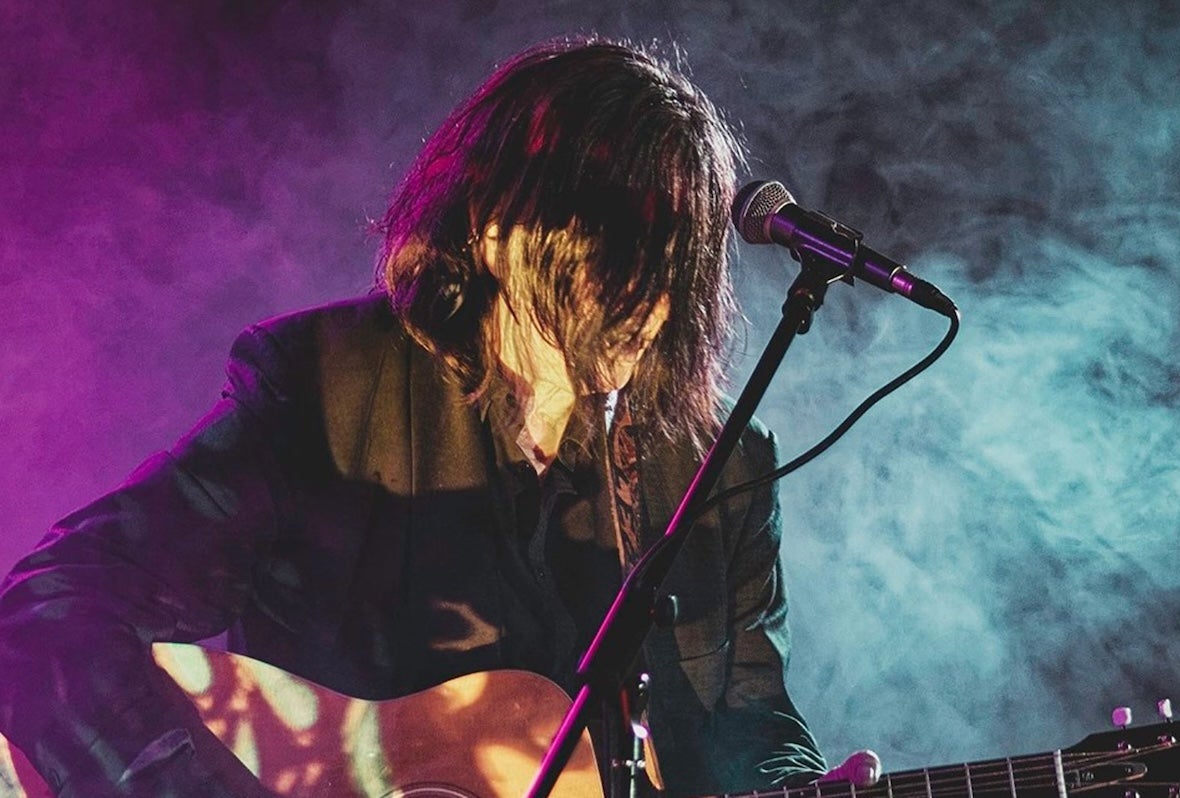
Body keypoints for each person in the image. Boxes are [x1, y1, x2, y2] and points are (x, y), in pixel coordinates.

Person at [0, 37, 831, 796]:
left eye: (673, 263)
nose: (645, 299)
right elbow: (48, 616)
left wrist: (799, 779)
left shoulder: (723, 462)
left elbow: (749, 717)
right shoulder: (328, 392)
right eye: (614, 251)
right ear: (500, 227)